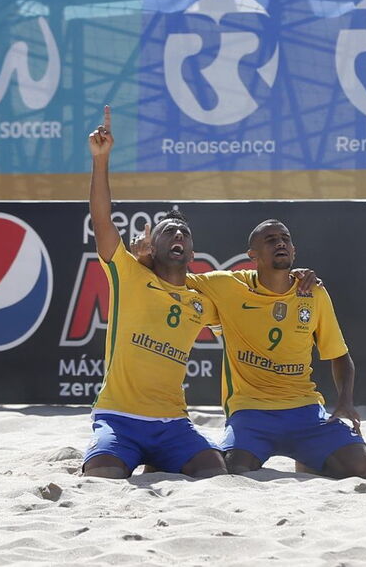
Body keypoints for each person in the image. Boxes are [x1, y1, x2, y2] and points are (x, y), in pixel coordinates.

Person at [133, 219, 366, 479]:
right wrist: (145, 259)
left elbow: (340, 356)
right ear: (252, 255)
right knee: (232, 470)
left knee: (361, 465)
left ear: (294, 251)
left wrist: (345, 402)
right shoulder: (227, 285)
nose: (280, 242)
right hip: (251, 411)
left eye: (285, 239)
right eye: (270, 240)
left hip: (304, 408)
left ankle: (308, 460)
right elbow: (169, 279)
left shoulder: (313, 292)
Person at [82, 106, 227, 480]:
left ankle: (160, 457)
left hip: (172, 421)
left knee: (214, 471)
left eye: (184, 232)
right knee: (102, 476)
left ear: (193, 253)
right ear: (149, 245)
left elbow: (255, 300)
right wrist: (101, 160)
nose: (178, 235)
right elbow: (101, 218)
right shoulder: (128, 274)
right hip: (119, 416)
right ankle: (131, 455)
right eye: (168, 231)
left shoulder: (203, 297)